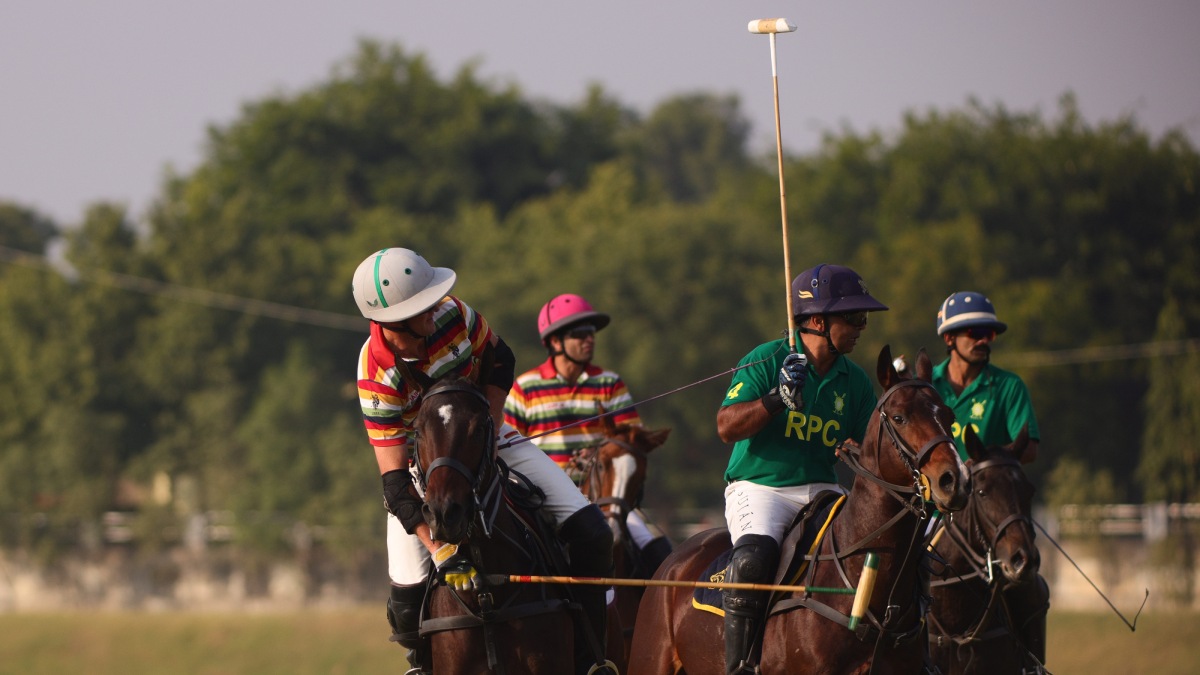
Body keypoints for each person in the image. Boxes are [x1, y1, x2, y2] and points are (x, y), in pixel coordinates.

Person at [351, 248, 613, 675]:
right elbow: (395, 482)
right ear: (395, 322)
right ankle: (421, 667)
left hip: (490, 436)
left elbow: (501, 358)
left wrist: (489, 426)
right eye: (423, 307)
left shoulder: (453, 314)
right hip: (425, 465)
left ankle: (591, 659)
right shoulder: (375, 374)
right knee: (405, 601)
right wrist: (440, 551)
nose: (436, 308)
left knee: (593, 534)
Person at [716, 263, 888, 675]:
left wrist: (860, 453)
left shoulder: (855, 380)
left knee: (885, 551)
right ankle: (741, 666)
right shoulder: (767, 358)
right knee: (753, 559)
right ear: (817, 321)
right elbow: (726, 427)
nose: (862, 327)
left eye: (864, 317)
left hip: (823, 490)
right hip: (762, 488)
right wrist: (776, 398)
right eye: (854, 317)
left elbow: (872, 449)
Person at [505, 293, 672, 577]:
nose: (589, 339)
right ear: (555, 342)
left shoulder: (609, 383)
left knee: (653, 545)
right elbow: (508, 447)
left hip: (603, 496)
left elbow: (632, 440)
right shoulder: (525, 388)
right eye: (580, 333)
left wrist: (597, 453)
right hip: (543, 498)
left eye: (591, 332)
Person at [930, 291, 1048, 668]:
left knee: (1031, 585)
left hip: (986, 507)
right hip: (931, 505)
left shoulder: (1008, 386)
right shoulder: (927, 387)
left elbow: (1029, 449)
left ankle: (1031, 665)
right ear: (949, 338)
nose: (983, 340)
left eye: (989, 334)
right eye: (974, 333)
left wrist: (982, 462)